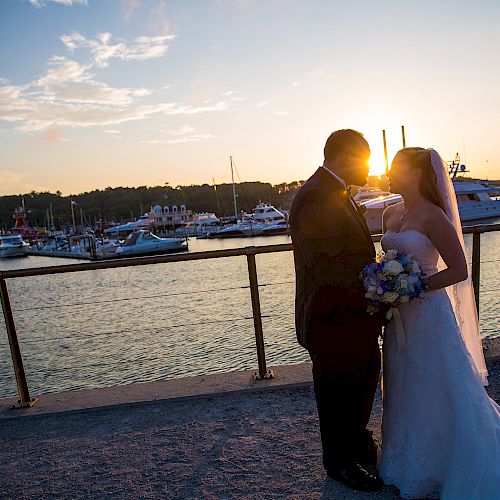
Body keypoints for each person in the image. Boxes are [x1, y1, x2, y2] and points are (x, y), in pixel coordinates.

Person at [380, 147, 500, 499]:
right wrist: (384, 286)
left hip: (429, 314)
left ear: (416, 174)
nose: (388, 172)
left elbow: (459, 270)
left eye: (395, 168)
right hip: (398, 316)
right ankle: (404, 459)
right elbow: (386, 257)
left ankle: (444, 461)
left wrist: (411, 286)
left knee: (437, 383)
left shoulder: (434, 217)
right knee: (404, 382)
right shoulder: (391, 212)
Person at [290, 129, 383, 492]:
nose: (369, 168)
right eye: (365, 160)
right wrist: (376, 286)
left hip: (352, 315)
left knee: (360, 382)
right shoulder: (316, 197)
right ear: (345, 157)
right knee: (336, 392)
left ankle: (356, 446)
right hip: (333, 316)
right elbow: (327, 265)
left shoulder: (332, 191)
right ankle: (339, 464)